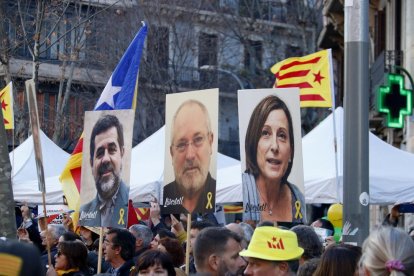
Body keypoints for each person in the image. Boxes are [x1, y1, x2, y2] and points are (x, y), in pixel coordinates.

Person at [242, 95, 306, 223]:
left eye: (282, 136)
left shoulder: (298, 198)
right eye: (265, 133)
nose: (275, 146)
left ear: (291, 151)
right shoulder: (239, 192)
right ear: (253, 143)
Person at [163, 99, 216, 214]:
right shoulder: (164, 199)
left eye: (198, 140)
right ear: (172, 153)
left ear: (211, 142)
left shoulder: (218, 195)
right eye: (181, 145)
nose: (190, 155)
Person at [79, 114, 129, 227]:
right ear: (91, 163)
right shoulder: (84, 213)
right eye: (100, 153)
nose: (106, 159)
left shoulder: (133, 205)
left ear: (122, 153)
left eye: (112, 150)